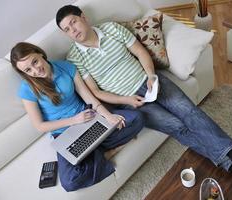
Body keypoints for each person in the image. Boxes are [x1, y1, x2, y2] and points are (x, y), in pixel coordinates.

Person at [56, 5, 232, 175]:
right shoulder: (75, 58)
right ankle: (231, 159)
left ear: (83, 17)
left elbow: (141, 53)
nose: (73, 31)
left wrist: (151, 76)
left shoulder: (111, 28)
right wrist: (127, 100)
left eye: (73, 22)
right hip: (129, 101)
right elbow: (96, 93)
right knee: (177, 126)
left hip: (150, 82)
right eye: (66, 30)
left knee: (189, 112)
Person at [10, 42, 145, 192]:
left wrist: (108, 115)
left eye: (34, 61)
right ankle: (108, 153)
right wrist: (74, 120)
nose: (36, 70)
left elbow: (88, 97)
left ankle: (93, 153)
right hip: (63, 133)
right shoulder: (27, 89)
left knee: (137, 118)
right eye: (28, 70)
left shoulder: (66, 67)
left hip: (89, 118)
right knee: (69, 181)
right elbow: (39, 126)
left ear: (40, 53)